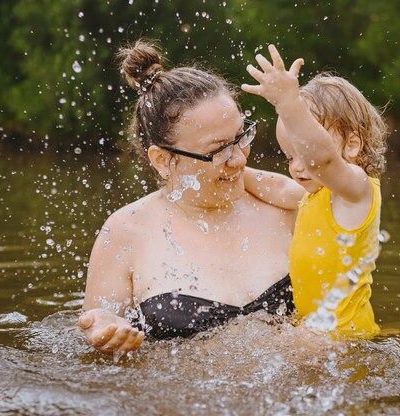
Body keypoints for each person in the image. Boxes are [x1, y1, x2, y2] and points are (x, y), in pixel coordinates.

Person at [78, 40, 300, 354]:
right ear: (162, 160)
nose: (238, 160)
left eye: (241, 137)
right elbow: (97, 339)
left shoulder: (283, 207)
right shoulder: (125, 232)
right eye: (218, 150)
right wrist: (103, 330)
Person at [242, 45, 388, 338]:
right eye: (289, 156)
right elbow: (276, 186)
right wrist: (225, 168)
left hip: (347, 340)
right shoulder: (313, 196)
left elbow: (323, 160)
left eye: (304, 154)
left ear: (352, 145)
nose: (298, 167)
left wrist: (289, 103)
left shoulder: (356, 191)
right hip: (316, 336)